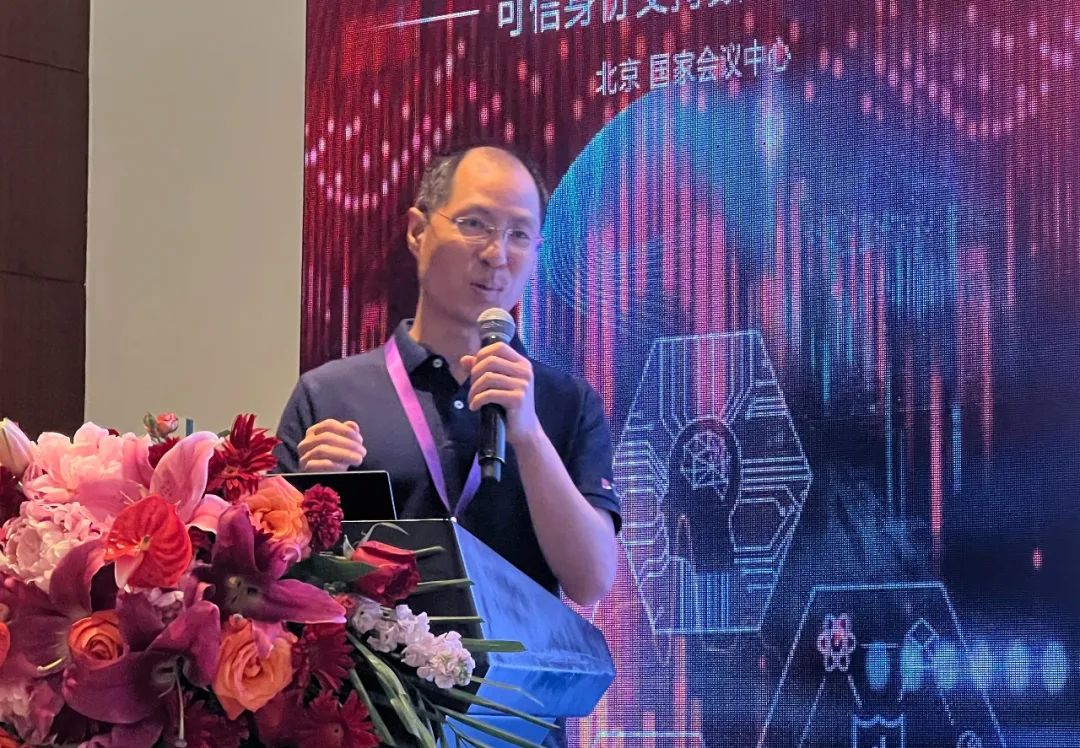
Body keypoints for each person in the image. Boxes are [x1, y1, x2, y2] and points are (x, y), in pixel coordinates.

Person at [274, 143, 621, 608]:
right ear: (418, 231)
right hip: (375, 657)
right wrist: (310, 501)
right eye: (474, 224)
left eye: (519, 234)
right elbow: (273, 577)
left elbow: (592, 581)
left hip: (521, 658)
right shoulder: (329, 395)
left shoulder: (567, 402)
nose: (496, 254)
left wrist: (529, 437)